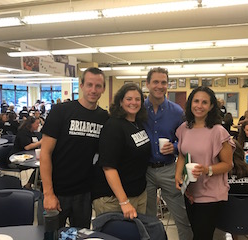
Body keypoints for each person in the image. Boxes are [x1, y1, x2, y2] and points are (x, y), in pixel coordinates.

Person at [40, 67, 109, 229]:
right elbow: (45, 153)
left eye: (98, 86)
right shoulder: (61, 111)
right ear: (82, 85)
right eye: (89, 85)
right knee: (51, 236)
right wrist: (48, 193)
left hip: (84, 193)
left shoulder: (104, 117)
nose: (93, 90)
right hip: (57, 191)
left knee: (80, 235)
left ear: (103, 89)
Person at [175, 86, 234, 240]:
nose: (199, 106)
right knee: (196, 232)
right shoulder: (183, 128)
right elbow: (182, 155)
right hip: (190, 192)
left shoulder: (218, 131)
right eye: (196, 101)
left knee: (202, 236)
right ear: (190, 103)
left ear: (211, 106)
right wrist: (178, 177)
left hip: (211, 194)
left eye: (204, 102)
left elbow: (228, 164)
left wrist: (206, 169)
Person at [143, 67, 193, 240]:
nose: (159, 86)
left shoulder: (177, 112)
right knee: (148, 219)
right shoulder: (138, 110)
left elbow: (187, 139)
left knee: (182, 217)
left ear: (167, 85)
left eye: (163, 82)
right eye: (155, 82)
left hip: (169, 169)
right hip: (144, 170)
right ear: (147, 84)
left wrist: (175, 146)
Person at [92, 83, 150, 219]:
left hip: (138, 194)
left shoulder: (138, 124)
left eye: (137, 99)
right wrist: (124, 201)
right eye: (129, 99)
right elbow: (108, 167)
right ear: (120, 101)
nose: (133, 103)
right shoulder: (114, 126)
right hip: (114, 199)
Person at [11, 116, 42, 189]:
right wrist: (41, 142)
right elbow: (27, 147)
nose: (38, 125)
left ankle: (31, 183)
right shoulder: (23, 133)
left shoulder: (32, 133)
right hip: (18, 158)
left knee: (43, 165)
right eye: (37, 123)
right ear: (31, 124)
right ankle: (29, 184)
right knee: (40, 167)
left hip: (30, 156)